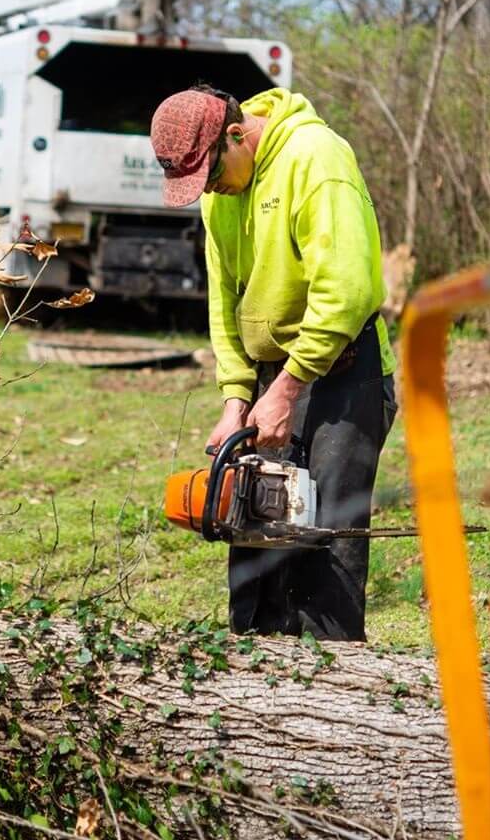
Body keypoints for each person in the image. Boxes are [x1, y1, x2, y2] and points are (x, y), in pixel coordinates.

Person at [149, 85, 397, 641]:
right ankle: (252, 676)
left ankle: (329, 690)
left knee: (323, 546)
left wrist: (288, 387)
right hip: (269, 376)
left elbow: (347, 291)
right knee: (254, 530)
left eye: (210, 175)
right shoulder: (222, 190)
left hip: (340, 372)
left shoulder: (317, 158)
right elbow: (224, 298)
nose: (209, 190)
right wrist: (236, 398)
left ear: (236, 135)